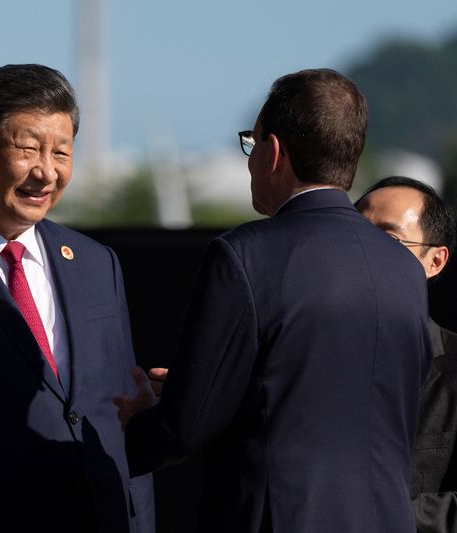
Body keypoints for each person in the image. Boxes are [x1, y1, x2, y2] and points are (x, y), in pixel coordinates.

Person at [115, 68, 432, 532]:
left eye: (252, 142)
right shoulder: (404, 268)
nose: (249, 159)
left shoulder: (244, 255)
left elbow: (188, 425)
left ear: (274, 152)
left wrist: (135, 428)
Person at [0, 64, 154, 533]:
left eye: (61, 152)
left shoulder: (97, 263)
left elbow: (120, 413)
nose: (46, 171)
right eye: (29, 148)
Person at [356, 176, 457, 533]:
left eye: (388, 240)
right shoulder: (297, 355)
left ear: (436, 261)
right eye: (352, 234)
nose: (362, 250)